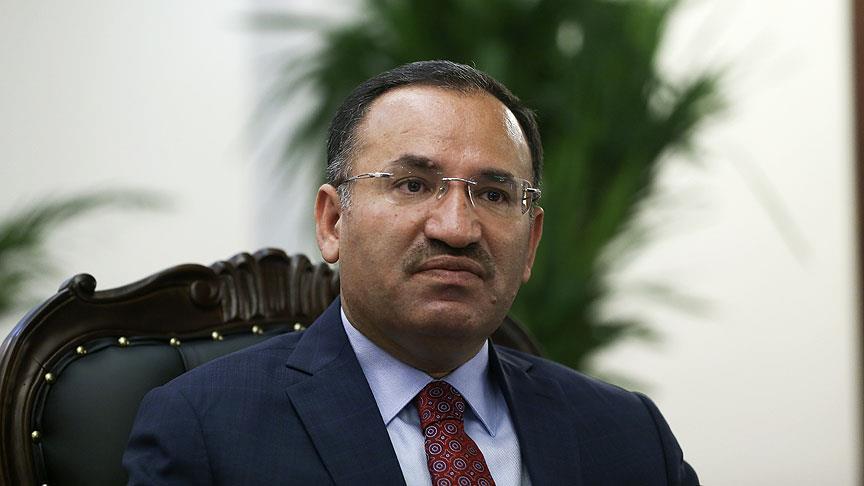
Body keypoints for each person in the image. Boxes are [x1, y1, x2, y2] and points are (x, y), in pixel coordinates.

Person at [123, 60, 699, 486]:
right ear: (332, 222)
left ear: (531, 243)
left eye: (494, 194)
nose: (457, 228)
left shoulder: (627, 435)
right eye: (414, 185)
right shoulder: (206, 428)